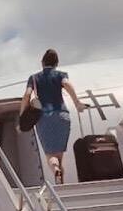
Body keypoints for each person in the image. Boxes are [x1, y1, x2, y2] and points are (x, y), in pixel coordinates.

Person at [19, 49, 86, 185]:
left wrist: (22, 115)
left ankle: (55, 169)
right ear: (56, 63)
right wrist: (77, 103)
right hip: (62, 115)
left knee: (50, 155)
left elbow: (27, 95)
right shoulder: (61, 75)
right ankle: (60, 180)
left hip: (44, 118)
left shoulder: (34, 78)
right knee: (59, 154)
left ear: (42, 62)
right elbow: (67, 84)